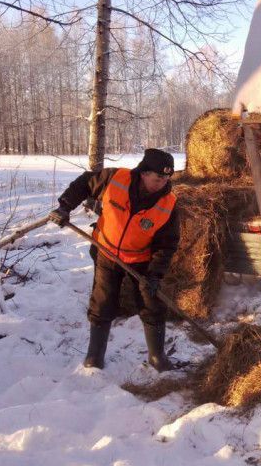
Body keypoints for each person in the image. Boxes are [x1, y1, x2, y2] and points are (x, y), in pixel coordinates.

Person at [48, 148, 180, 371]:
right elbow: (84, 183)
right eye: (158, 178)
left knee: (151, 303)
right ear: (144, 172)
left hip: (141, 260)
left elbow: (166, 245)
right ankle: (94, 357)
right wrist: (64, 206)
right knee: (103, 301)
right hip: (106, 251)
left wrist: (155, 274)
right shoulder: (114, 179)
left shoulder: (168, 204)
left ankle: (157, 357)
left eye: (166, 178)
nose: (162, 183)